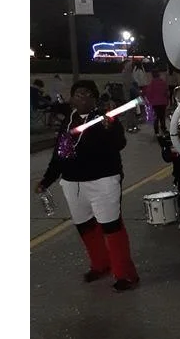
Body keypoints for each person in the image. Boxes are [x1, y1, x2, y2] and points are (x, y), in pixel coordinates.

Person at [35, 80, 140, 291]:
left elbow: (119, 144)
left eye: (87, 94)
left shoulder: (104, 119)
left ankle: (125, 274)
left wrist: (111, 129)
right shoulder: (68, 122)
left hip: (103, 181)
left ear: (94, 98)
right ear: (72, 98)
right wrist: (46, 180)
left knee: (111, 227)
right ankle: (101, 264)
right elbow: (59, 156)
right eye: (78, 94)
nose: (82, 97)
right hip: (73, 184)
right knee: (85, 227)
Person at [143, 68, 170, 136]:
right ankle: (163, 129)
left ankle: (156, 131)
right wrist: (167, 100)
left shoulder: (151, 84)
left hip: (155, 104)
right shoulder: (163, 82)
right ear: (159, 75)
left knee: (156, 118)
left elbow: (148, 94)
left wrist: (150, 102)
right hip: (163, 103)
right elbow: (166, 93)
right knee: (162, 117)